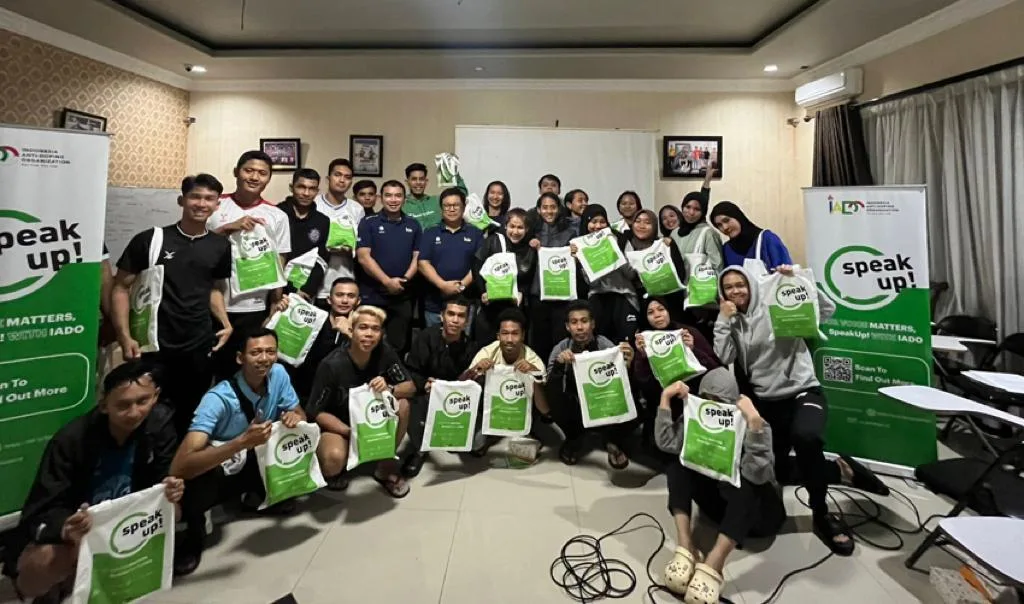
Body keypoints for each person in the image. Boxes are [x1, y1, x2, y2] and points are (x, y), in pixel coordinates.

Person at [714, 265, 890, 556]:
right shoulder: (732, 321)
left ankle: (822, 514)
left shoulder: (774, 306)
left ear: (752, 285)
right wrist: (723, 320)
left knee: (806, 438)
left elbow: (827, 310)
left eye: (740, 285)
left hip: (803, 391)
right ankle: (839, 470)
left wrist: (798, 280)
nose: (736, 291)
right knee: (778, 469)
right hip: (767, 401)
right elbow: (723, 356)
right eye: (729, 287)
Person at [2, 361, 184, 602]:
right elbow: (40, 512)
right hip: (80, 528)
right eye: (123, 405)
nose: (134, 413)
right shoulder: (72, 440)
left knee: (175, 510)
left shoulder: (158, 427)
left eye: (143, 401)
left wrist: (170, 491)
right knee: (47, 561)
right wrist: (66, 526)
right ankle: (43, 590)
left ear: (156, 397)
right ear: (104, 405)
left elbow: (162, 490)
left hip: (123, 526)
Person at [171, 328, 305, 575]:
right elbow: (180, 466)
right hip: (223, 462)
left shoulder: (279, 374)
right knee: (197, 479)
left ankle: (257, 496)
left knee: (297, 438)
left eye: (270, 352)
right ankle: (195, 531)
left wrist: (293, 417)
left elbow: (300, 414)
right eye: (255, 353)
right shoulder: (218, 398)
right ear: (240, 358)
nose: (264, 358)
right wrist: (240, 442)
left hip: (256, 454)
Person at [113, 174, 233, 438]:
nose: (201, 204)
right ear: (182, 200)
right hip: (155, 345)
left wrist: (225, 323)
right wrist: (124, 336)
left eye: (209, 199)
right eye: (195, 197)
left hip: (198, 344)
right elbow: (120, 287)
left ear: (217, 205)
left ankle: (177, 472)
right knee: (146, 412)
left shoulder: (220, 245)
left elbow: (213, 288)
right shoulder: (150, 239)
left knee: (190, 412)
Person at [656, 380, 785, 602]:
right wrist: (665, 398)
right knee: (677, 464)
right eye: (708, 399)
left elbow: (758, 474)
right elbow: (667, 442)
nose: (713, 405)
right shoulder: (699, 415)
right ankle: (686, 545)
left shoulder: (752, 421)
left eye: (720, 402)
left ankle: (715, 563)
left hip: (758, 515)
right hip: (718, 506)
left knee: (748, 482)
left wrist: (754, 423)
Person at [306, 306, 416, 496]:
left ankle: (385, 467)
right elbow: (315, 412)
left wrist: (390, 388)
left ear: (381, 334)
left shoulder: (385, 352)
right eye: (363, 327)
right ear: (352, 330)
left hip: (372, 419)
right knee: (333, 461)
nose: (369, 334)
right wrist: (351, 432)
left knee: (403, 404)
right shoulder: (331, 364)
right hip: (342, 425)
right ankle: (342, 459)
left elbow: (411, 387)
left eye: (375, 329)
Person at [207, 150, 291, 382]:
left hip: (254, 307)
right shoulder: (215, 206)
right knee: (213, 370)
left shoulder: (276, 215)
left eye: (262, 173)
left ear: (269, 178)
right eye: (249, 170)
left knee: (250, 371)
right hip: (213, 304)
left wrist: (276, 298)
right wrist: (227, 228)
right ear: (237, 172)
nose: (255, 177)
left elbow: (280, 260)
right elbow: (196, 245)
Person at [632, 297, 737, 452]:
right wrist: (642, 357)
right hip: (668, 401)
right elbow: (645, 384)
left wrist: (692, 349)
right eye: (650, 312)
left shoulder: (688, 332)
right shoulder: (644, 341)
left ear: (669, 312)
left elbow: (714, 366)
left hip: (699, 396)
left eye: (661, 309)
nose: (657, 315)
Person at [546, 300, 635, 469]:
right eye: (574, 322)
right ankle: (573, 439)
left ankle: (612, 440)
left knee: (634, 401)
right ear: (567, 327)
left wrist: (629, 364)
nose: (580, 327)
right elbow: (549, 382)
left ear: (592, 324)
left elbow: (623, 383)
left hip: (604, 403)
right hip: (576, 407)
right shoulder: (561, 348)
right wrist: (559, 364)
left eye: (584, 321)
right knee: (554, 398)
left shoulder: (606, 346)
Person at [401, 296, 480, 477]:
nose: (455, 320)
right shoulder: (425, 337)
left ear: (467, 321)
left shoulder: (471, 347)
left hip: (454, 399)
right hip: (426, 392)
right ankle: (419, 450)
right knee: (410, 397)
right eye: (450, 314)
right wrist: (424, 383)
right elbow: (411, 369)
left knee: (474, 443)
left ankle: (455, 437)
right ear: (441, 315)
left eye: (461, 316)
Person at [267, 277, 361, 400]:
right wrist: (276, 314)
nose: (344, 300)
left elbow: (370, 359)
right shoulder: (312, 319)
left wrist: (349, 333)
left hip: (341, 394)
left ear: (358, 301)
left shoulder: (364, 326)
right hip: (304, 389)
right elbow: (266, 335)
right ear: (329, 299)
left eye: (350, 296)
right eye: (339, 295)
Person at [356, 180, 422, 353]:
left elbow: (417, 257)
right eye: (389, 195)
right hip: (373, 293)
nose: (393, 200)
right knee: (368, 342)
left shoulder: (413, 225)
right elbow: (363, 257)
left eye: (398, 195)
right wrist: (387, 282)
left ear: (404, 199)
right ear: (380, 198)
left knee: (398, 346)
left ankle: (393, 379)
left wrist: (404, 280)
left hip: (402, 294)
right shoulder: (368, 222)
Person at [466, 308, 551, 435]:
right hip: (493, 407)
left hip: (520, 409)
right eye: (505, 333)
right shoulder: (487, 352)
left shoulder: (533, 359)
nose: (509, 339)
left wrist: (534, 374)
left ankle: (526, 429)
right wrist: (476, 369)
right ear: (498, 336)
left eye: (515, 333)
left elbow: (545, 410)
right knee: (477, 445)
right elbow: (463, 387)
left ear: (523, 335)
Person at [572, 204, 639, 344]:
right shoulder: (582, 245)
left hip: (624, 296)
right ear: (586, 223)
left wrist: (615, 252)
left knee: (627, 344)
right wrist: (583, 260)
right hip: (598, 297)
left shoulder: (619, 239)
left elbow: (632, 275)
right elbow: (591, 283)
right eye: (593, 222)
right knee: (600, 343)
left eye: (602, 222)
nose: (598, 226)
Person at [417, 187, 484, 327]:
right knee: (433, 342)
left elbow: (479, 265)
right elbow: (423, 263)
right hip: (434, 302)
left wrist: (461, 286)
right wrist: (442, 285)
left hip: (465, 302)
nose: (451, 209)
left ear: (464, 207)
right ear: (441, 208)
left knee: (462, 345)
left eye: (456, 205)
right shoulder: (430, 232)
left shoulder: (476, 233)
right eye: (447, 206)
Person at [471, 208, 535, 347]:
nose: (515, 231)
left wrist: (522, 292)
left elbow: (531, 277)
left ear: (527, 229)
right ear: (506, 226)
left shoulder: (531, 248)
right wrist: (483, 291)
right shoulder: (493, 241)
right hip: (490, 307)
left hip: (515, 309)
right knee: (486, 348)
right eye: (512, 226)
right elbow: (477, 267)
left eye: (520, 227)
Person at [526, 193, 577, 363]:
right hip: (538, 293)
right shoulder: (531, 231)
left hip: (562, 294)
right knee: (539, 340)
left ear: (559, 208)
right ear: (539, 210)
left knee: (560, 338)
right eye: (545, 207)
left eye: (553, 207)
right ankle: (541, 378)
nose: (549, 211)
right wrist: (530, 245)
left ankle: (559, 373)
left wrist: (576, 252)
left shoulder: (570, 232)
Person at [314, 158, 365, 309]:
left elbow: (361, 246)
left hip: (345, 282)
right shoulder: (314, 204)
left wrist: (351, 250)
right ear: (328, 178)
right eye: (337, 175)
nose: (342, 180)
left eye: (347, 177)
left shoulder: (356, 209)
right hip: (315, 284)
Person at [278, 168, 330, 301]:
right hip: (276, 288)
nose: (306, 193)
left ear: (317, 191)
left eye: (312, 189)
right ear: (291, 187)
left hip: (305, 290)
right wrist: (285, 289)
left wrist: (307, 288)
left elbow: (322, 258)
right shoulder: (276, 214)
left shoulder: (322, 221)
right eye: (301, 187)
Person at [625, 209, 687, 314]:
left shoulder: (665, 244)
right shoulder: (627, 247)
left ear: (654, 225)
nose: (642, 225)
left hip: (668, 304)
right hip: (638, 304)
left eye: (647, 222)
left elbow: (680, 273)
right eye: (638, 221)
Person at [709, 201, 792, 274]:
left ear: (738, 217)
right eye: (719, 225)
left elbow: (786, 274)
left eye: (726, 220)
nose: (724, 227)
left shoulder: (767, 239)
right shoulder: (727, 249)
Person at [404, 162, 468, 230]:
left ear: (426, 181)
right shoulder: (402, 205)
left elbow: (461, 194)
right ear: (407, 182)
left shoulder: (436, 201)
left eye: (421, 179)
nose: (418, 182)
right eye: (414, 179)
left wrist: (453, 172)